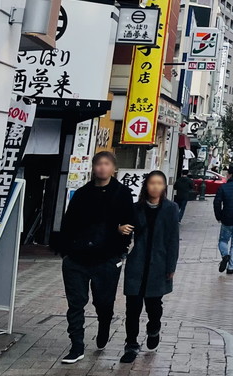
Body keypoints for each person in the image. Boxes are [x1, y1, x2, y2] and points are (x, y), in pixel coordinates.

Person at [56, 150, 136, 364]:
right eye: (98, 163)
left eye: (107, 163)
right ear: (93, 167)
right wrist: (66, 251)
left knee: (103, 302)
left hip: (107, 259)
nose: (102, 167)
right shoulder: (82, 193)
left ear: (114, 168)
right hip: (77, 258)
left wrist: (119, 240)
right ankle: (77, 346)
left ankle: (104, 324)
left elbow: (129, 224)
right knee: (76, 303)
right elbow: (69, 223)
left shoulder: (122, 193)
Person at [120, 171, 179, 363]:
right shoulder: (135, 208)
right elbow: (124, 233)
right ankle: (131, 344)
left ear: (164, 187)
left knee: (154, 305)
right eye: (152, 183)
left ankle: (154, 328)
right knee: (132, 307)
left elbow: (173, 240)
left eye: (159, 183)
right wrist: (120, 229)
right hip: (137, 263)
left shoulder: (171, 208)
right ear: (146, 186)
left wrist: (171, 265)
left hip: (159, 264)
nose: (155, 187)